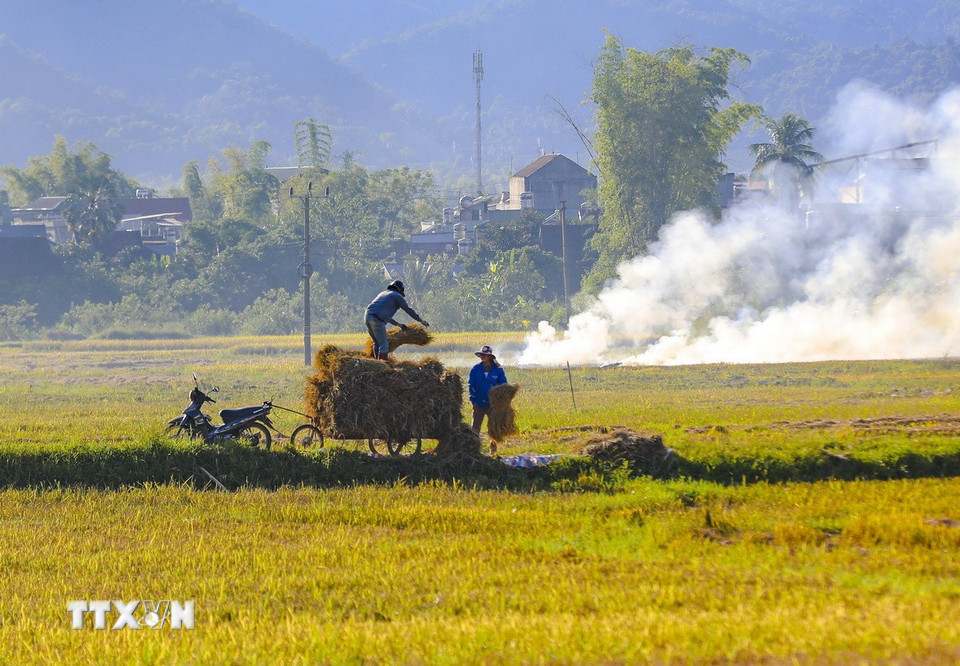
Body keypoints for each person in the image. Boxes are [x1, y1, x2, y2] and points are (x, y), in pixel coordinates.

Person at [364, 280, 430, 361]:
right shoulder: (397, 296)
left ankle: (376, 363)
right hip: (377, 319)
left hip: (367, 316)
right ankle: (383, 366)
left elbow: (384, 316)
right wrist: (420, 320)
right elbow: (408, 310)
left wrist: (399, 325)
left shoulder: (383, 293)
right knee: (384, 345)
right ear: (399, 289)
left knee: (376, 343)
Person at [468, 345, 508, 450]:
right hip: (479, 402)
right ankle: (474, 448)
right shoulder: (475, 369)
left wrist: (501, 402)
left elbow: (503, 385)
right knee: (475, 427)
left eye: (485, 355)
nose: (483, 357)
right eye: (482, 355)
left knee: (493, 427)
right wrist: (473, 401)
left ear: (490, 357)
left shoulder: (498, 370)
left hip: (493, 404)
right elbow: (471, 385)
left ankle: (493, 449)